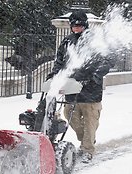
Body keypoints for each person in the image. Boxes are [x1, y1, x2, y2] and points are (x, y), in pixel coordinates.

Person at [46, 10, 116, 163]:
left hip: (91, 91)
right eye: (73, 26)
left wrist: (95, 76)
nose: (76, 28)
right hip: (71, 89)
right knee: (70, 116)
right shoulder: (67, 42)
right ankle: (87, 140)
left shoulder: (96, 41)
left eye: (79, 25)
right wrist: (55, 74)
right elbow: (60, 62)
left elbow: (110, 59)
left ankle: (87, 150)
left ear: (85, 25)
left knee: (90, 122)